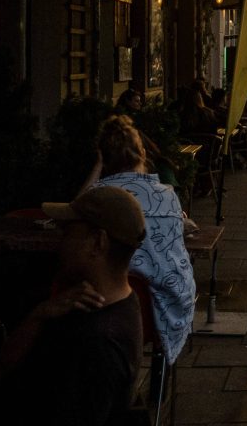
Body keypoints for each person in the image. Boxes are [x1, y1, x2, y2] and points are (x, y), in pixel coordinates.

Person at [0, 186, 145, 426]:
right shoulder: (102, 302)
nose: (59, 241)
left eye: (67, 231)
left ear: (98, 242)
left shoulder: (96, 344)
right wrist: (39, 315)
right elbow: (0, 371)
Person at [84, 114, 196, 364]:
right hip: (168, 305)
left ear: (104, 158)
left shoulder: (100, 198)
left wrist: (97, 166)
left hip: (109, 306)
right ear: (142, 153)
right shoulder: (167, 195)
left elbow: (75, 208)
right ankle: (158, 381)